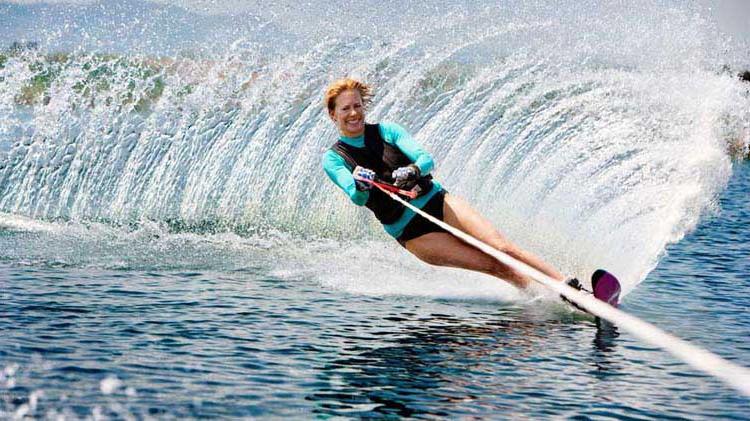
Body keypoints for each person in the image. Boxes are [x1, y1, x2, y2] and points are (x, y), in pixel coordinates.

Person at [321, 77, 568, 289]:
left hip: (438, 201)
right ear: (333, 115)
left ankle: (567, 285)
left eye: (357, 106)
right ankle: (545, 299)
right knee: (494, 265)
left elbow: (426, 159)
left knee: (502, 249)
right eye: (345, 109)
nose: (354, 113)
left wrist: (414, 169)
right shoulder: (334, 158)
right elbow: (356, 196)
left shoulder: (388, 131)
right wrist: (362, 186)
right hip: (412, 232)